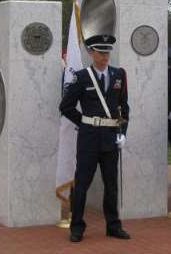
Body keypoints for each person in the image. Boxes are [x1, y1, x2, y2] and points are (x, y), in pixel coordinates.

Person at [59, 34, 130, 243]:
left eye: (107, 52)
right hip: (89, 139)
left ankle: (113, 225)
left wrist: (123, 133)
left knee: (111, 184)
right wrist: (84, 122)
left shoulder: (119, 75)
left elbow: (124, 108)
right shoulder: (81, 77)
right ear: (91, 53)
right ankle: (77, 227)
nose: (105, 56)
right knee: (82, 184)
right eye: (100, 52)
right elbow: (65, 107)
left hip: (110, 138)